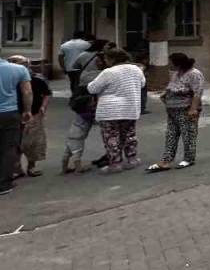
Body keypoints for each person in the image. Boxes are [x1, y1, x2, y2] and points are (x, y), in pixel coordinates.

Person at [87, 48, 145, 174]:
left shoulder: (108, 72)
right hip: (130, 108)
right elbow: (142, 84)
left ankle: (115, 163)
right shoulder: (136, 69)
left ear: (112, 59)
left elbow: (92, 88)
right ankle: (132, 159)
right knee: (129, 135)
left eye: (106, 59)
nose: (105, 61)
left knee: (111, 137)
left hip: (110, 110)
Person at [146, 53, 204, 172]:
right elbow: (171, 87)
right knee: (171, 135)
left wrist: (193, 109)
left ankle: (188, 158)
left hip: (186, 109)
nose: (170, 65)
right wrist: (165, 94)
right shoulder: (177, 74)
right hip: (172, 110)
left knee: (188, 134)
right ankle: (166, 160)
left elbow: (197, 92)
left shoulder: (194, 74)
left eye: (171, 63)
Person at [60, 40, 106, 174]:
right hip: (94, 104)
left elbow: (75, 66)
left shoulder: (83, 61)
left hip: (82, 102)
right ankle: (77, 166)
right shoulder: (102, 71)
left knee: (74, 136)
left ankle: (65, 165)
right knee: (78, 137)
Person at [9, 56, 49, 178]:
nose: (26, 66)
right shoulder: (10, 79)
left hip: (34, 113)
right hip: (14, 113)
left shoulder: (38, 79)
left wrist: (43, 107)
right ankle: (17, 168)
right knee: (15, 142)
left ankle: (31, 166)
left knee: (33, 142)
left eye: (27, 63)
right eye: (22, 64)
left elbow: (46, 94)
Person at [0, 55, 32, 194]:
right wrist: (27, 110)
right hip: (9, 113)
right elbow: (27, 91)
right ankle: (4, 184)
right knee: (8, 147)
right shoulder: (19, 69)